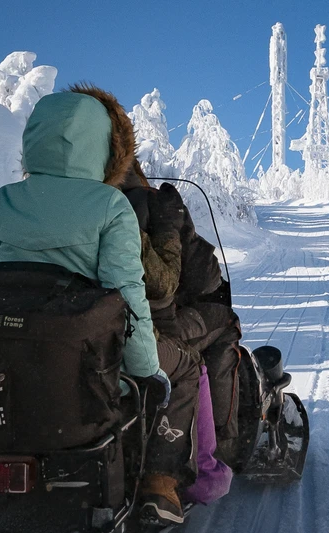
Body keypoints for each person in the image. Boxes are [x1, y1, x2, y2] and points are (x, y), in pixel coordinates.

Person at [0, 85, 170, 427]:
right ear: (106, 148)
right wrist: (146, 370)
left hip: (2, 355)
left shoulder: (3, 200)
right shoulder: (111, 205)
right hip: (78, 361)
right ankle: (162, 475)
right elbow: (126, 291)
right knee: (176, 376)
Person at [118, 163, 233, 523]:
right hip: (143, 329)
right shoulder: (129, 208)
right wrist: (174, 226)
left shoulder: (34, 202)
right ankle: (203, 459)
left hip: (61, 325)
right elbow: (181, 281)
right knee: (218, 327)